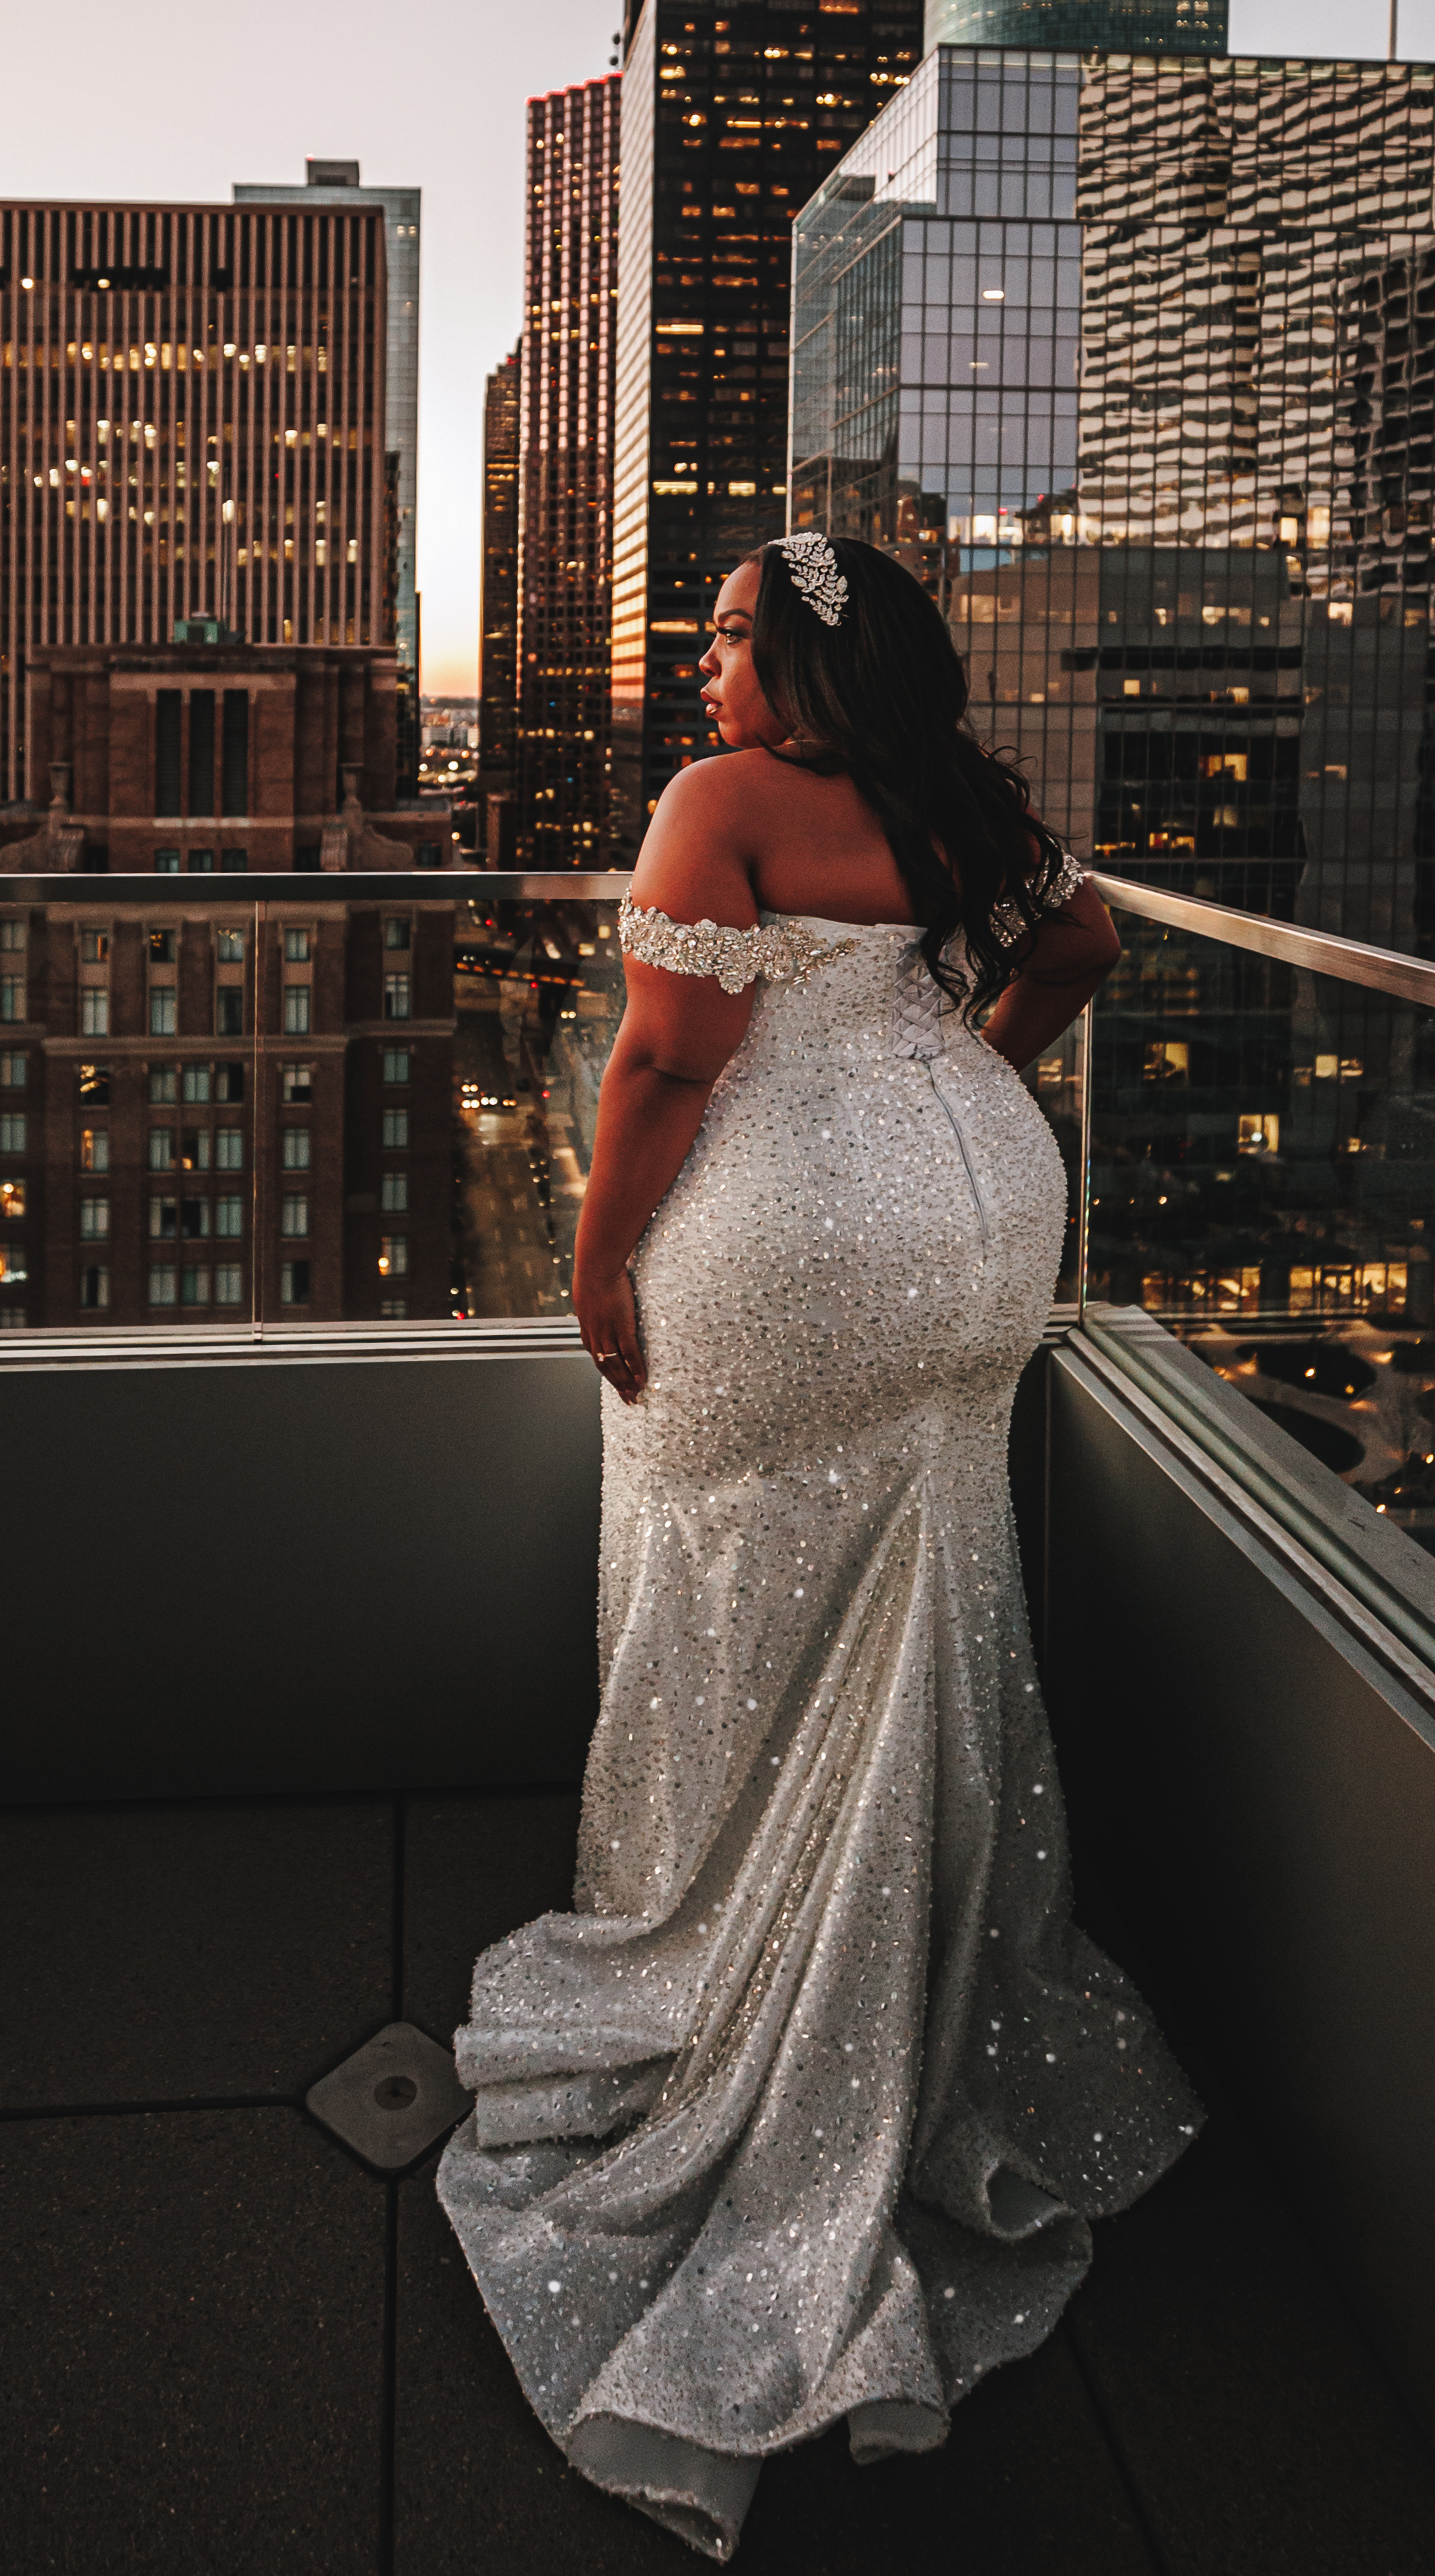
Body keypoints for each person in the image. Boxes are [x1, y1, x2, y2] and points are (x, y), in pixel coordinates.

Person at [436, 535, 1200, 2561]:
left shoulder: (719, 805)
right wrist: (955, 1080)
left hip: (794, 1258)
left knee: (731, 1579)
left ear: (800, 656)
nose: (699, 672)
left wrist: (597, 1264)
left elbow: (665, 1060)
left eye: (724, 639)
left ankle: (736, 1982)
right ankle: (916, 1992)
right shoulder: (955, 787)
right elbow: (1085, 949)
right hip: (978, 1235)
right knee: (920, 1576)